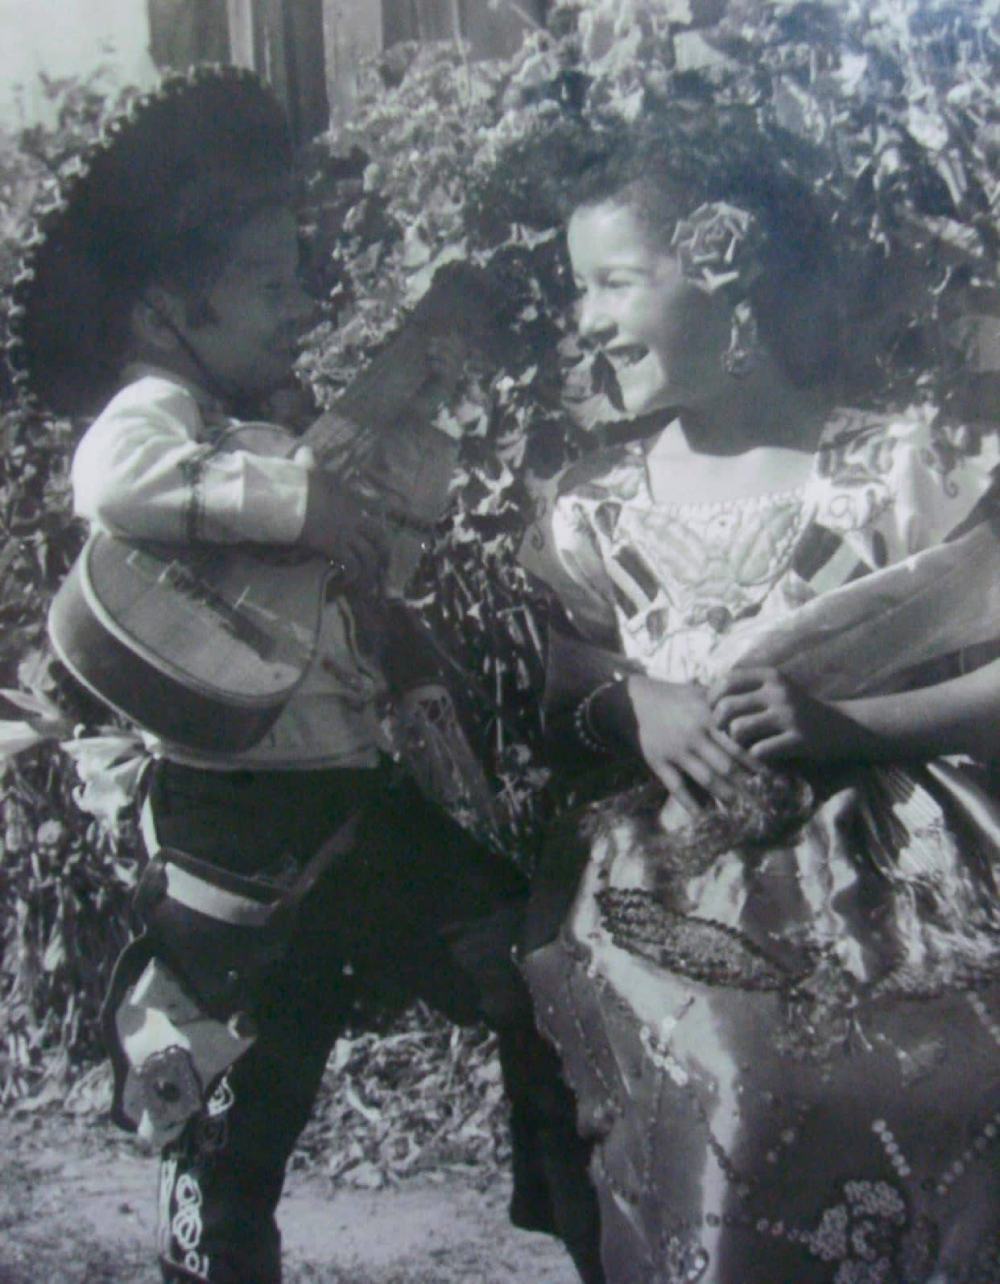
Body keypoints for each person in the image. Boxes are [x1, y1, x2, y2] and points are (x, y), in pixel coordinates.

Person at [6, 67, 602, 1284]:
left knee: (526, 964)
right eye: (268, 285)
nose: (301, 304)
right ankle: (218, 1257)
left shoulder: (277, 425)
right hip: (228, 829)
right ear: (170, 306)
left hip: (353, 799)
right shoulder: (162, 408)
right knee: (225, 1105)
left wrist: (406, 482)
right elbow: (110, 483)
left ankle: (600, 1220)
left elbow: (361, 573)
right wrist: (284, 497)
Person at [517, 121, 1000, 1282]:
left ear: (722, 270)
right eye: (578, 290)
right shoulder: (589, 508)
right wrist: (634, 702)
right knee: (736, 1077)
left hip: (900, 879)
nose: (587, 322)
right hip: (661, 887)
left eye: (615, 284)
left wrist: (850, 727)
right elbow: (547, 692)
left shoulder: (886, 468)